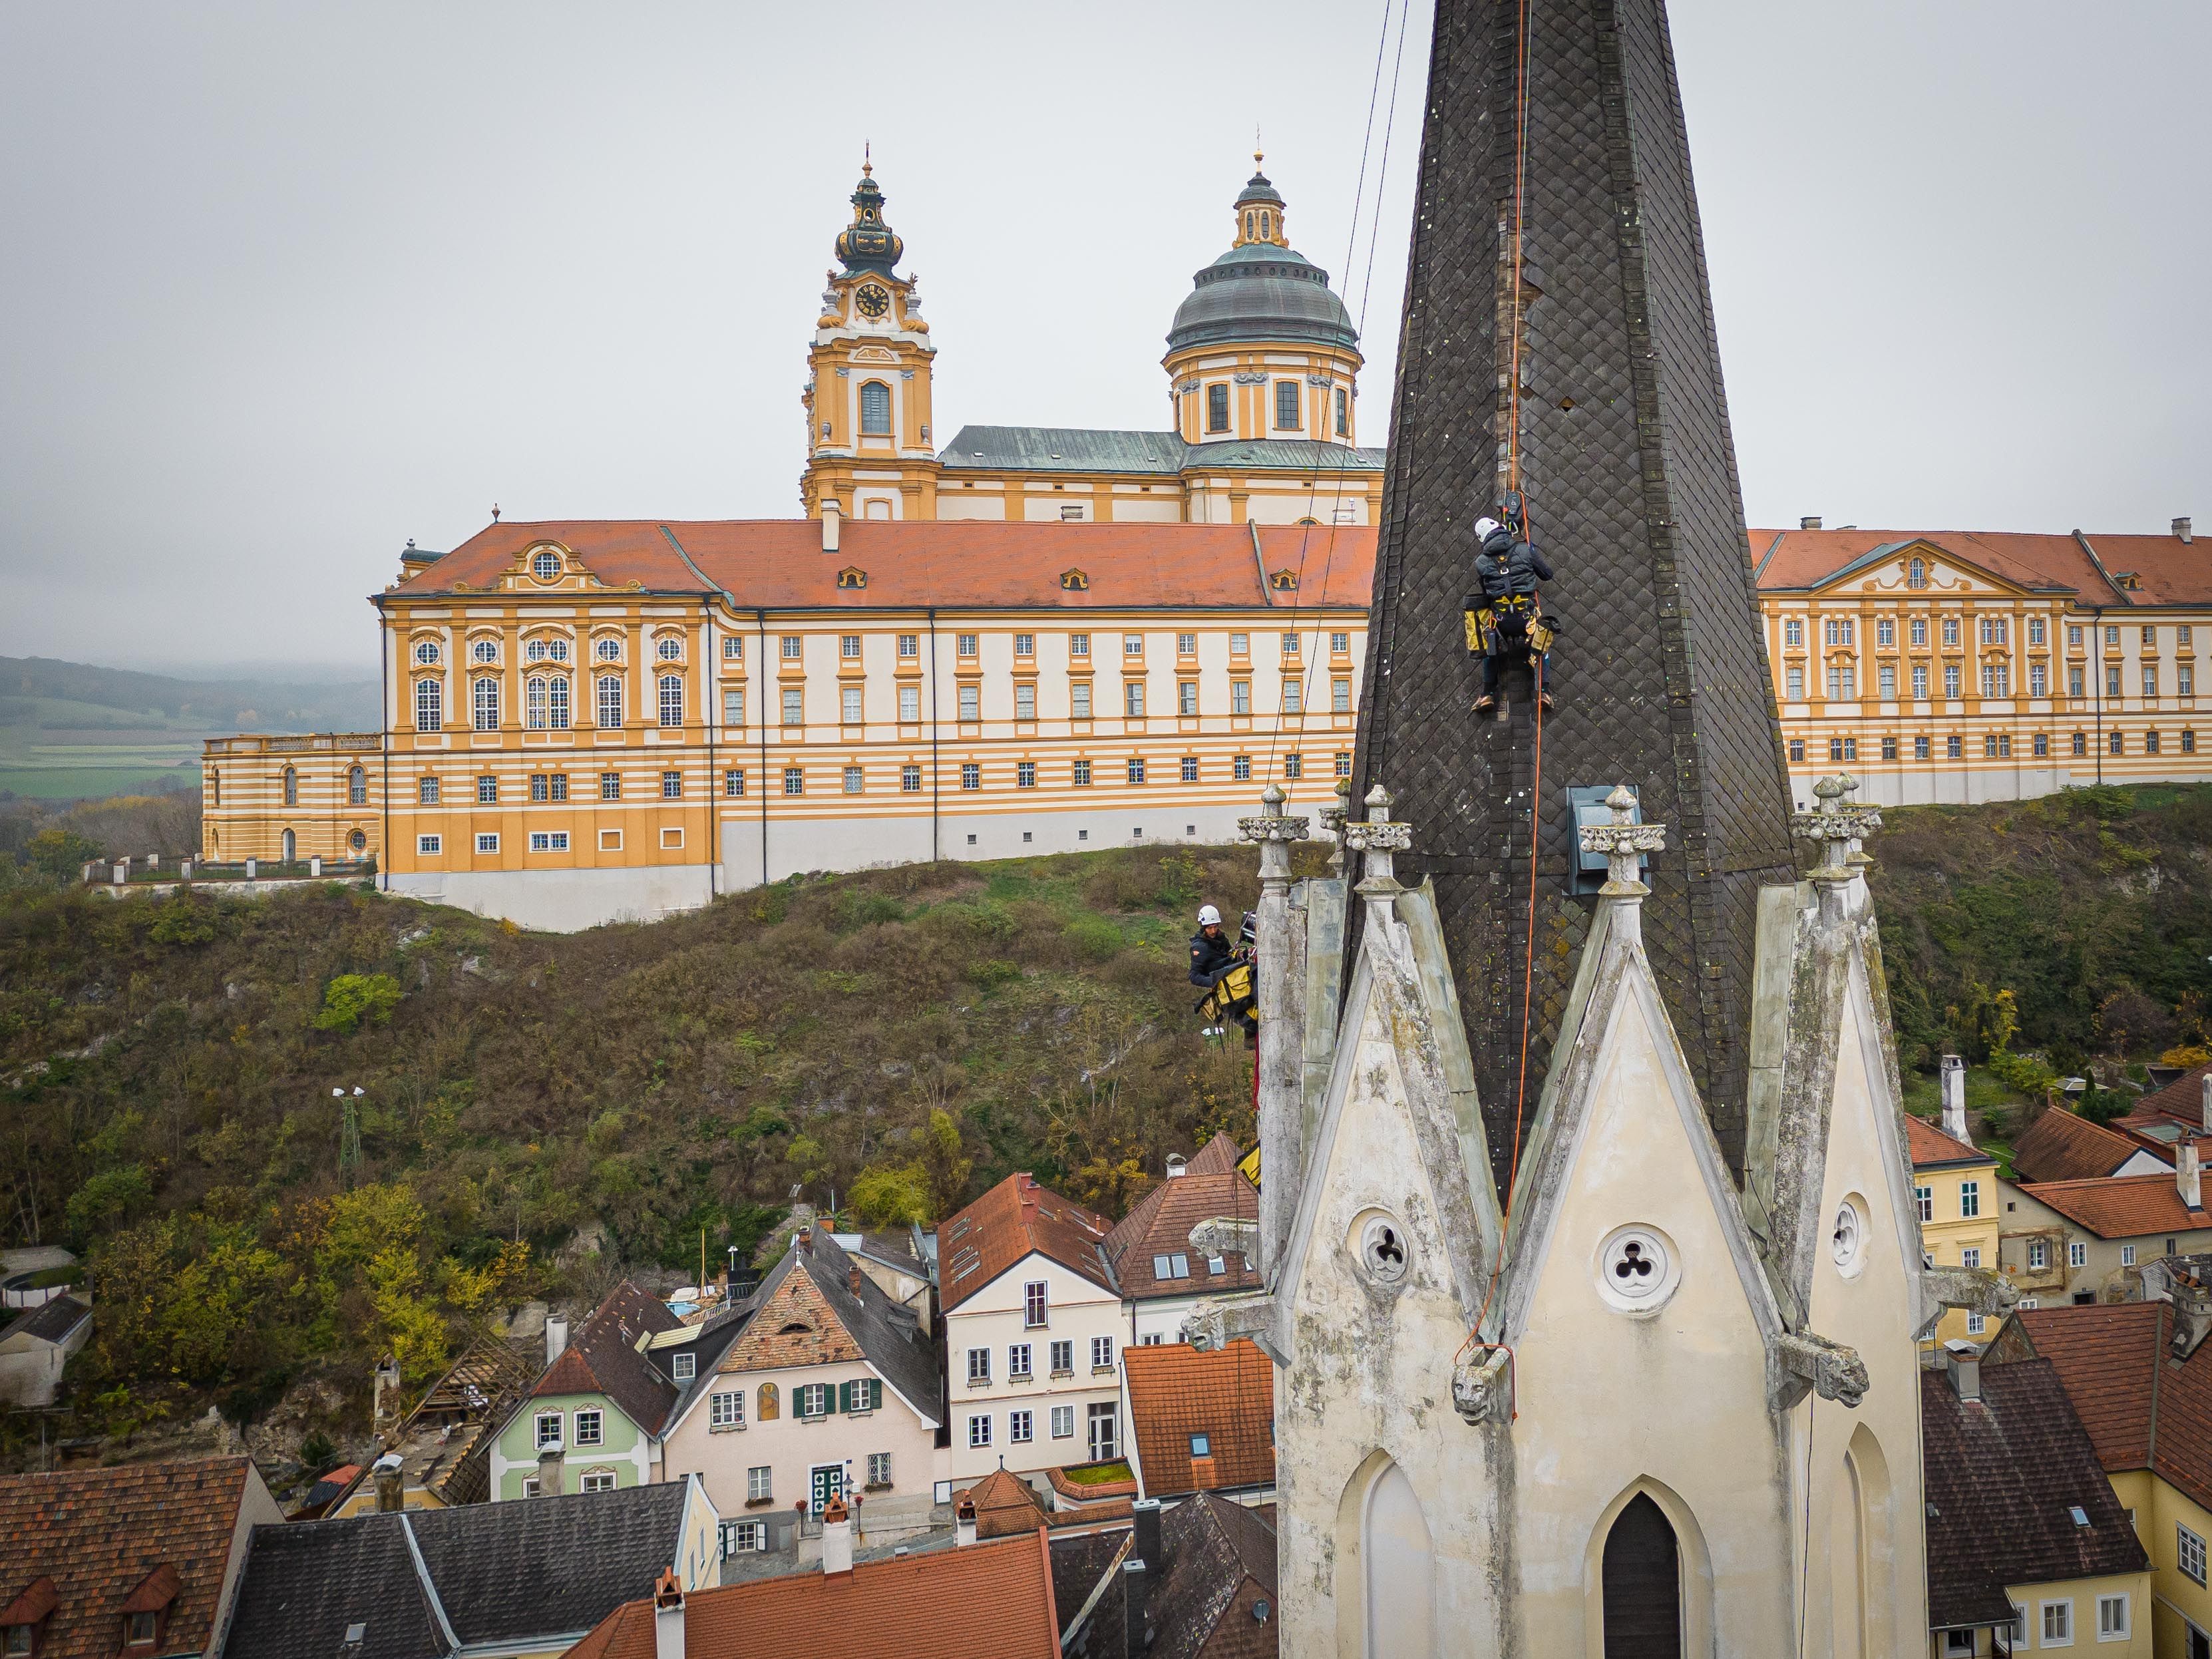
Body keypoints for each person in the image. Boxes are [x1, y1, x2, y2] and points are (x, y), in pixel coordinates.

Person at [1465, 511, 1557, 713]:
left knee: (1490, 647)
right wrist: (1530, 556)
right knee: (1542, 645)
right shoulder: (1525, 549)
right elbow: (1547, 574)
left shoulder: (1481, 562)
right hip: (1526, 619)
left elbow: (1486, 593)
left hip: (1501, 622)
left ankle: (1487, 693)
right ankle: (1544, 691)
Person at [1189, 904, 1257, 1043]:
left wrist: (1241, 954)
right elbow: (1194, 976)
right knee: (1255, 973)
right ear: (1203, 927)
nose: (1213, 930)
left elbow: (1230, 956)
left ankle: (1251, 1037)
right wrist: (1215, 981)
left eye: (1215, 926)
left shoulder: (1221, 939)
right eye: (1209, 928)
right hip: (1225, 985)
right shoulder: (1199, 948)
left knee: (1254, 970)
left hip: (1232, 976)